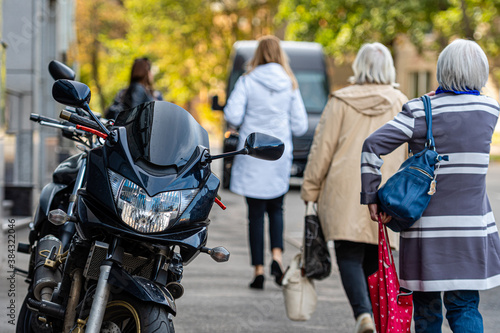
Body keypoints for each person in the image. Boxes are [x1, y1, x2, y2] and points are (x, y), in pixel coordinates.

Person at [361, 39, 500, 332]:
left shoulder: (419, 110)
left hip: (425, 233)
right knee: (465, 308)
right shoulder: (490, 109)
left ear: (442, 69)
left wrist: (371, 194)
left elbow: (371, 145)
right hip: (471, 231)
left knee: (427, 313)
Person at [301, 42, 408, 333]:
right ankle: (375, 316)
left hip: (344, 190)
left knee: (348, 254)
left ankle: (363, 315)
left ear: (359, 66)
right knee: (377, 256)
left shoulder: (340, 100)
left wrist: (310, 189)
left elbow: (322, 149)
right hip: (387, 191)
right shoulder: (401, 102)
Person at [224, 35, 308, 289]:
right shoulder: (290, 83)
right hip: (279, 154)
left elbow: (232, 114)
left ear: (258, 54)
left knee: (255, 214)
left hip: (254, 154)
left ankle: (258, 271)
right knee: (277, 207)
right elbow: (301, 125)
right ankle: (277, 258)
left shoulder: (248, 81)